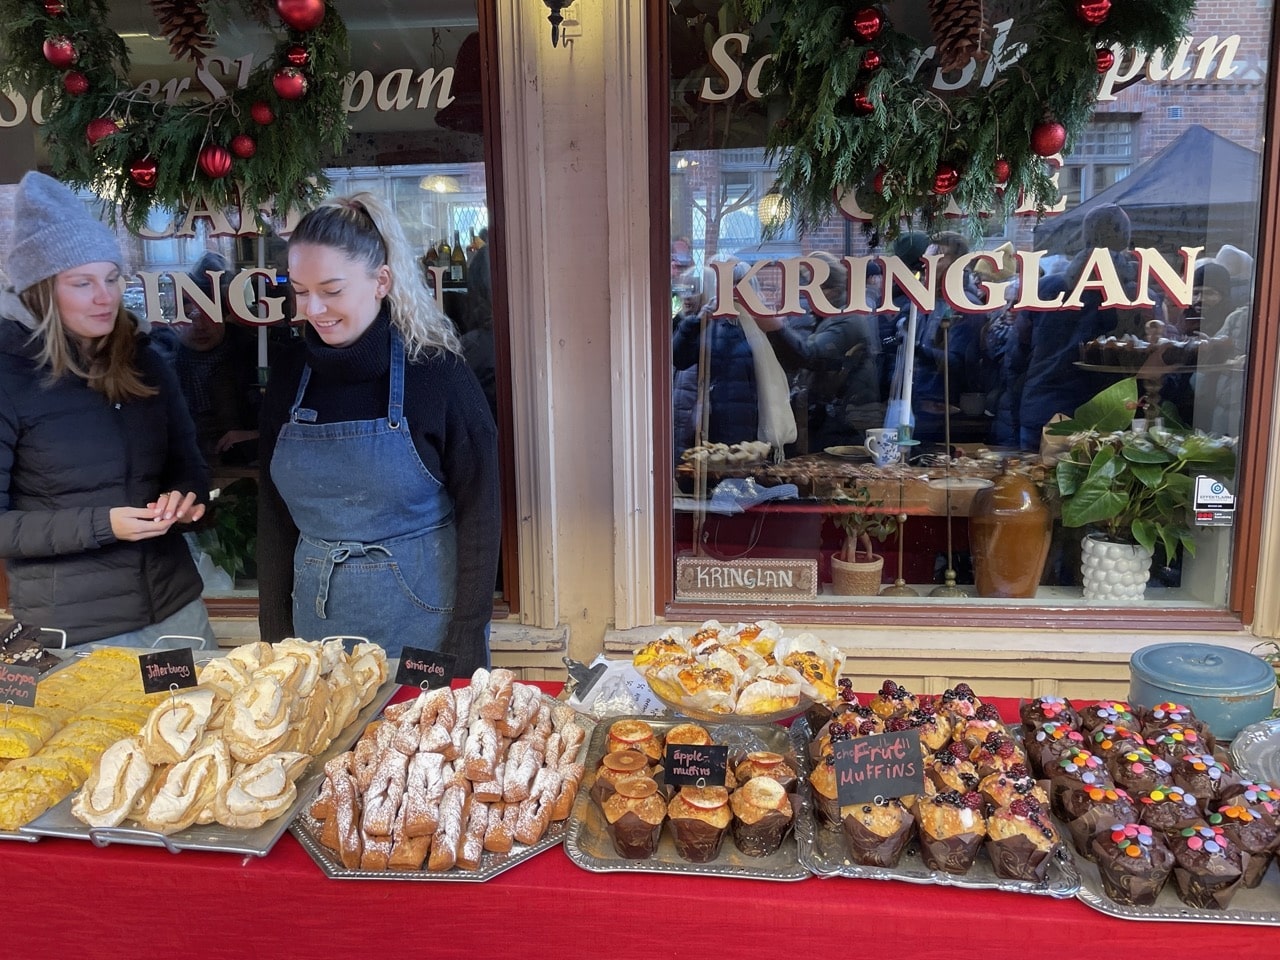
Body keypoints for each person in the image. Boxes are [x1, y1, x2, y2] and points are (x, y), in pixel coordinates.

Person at [257, 192, 499, 669]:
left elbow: (481, 513)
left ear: (380, 281)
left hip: (427, 626)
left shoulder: (436, 373)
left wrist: (468, 633)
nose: (314, 308)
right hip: (316, 627)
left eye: (331, 289)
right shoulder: (288, 375)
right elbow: (273, 511)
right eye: (300, 290)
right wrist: (275, 631)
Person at [0, 171, 214, 649]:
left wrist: (185, 498)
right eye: (82, 283)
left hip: (175, 611)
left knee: (201, 723)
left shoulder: (146, 360)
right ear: (41, 291)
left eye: (113, 278)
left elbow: (189, 466)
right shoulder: (8, 373)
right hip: (71, 632)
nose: (105, 296)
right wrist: (104, 525)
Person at [757, 252, 883, 448]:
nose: (804, 294)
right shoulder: (830, 317)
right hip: (835, 421)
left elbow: (809, 355)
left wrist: (776, 328)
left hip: (845, 425)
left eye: (808, 288)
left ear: (830, 290)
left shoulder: (848, 319)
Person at [172, 251, 261, 465]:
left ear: (225, 316)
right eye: (191, 316)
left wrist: (258, 435)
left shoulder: (253, 356)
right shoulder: (163, 361)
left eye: (209, 315)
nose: (200, 325)